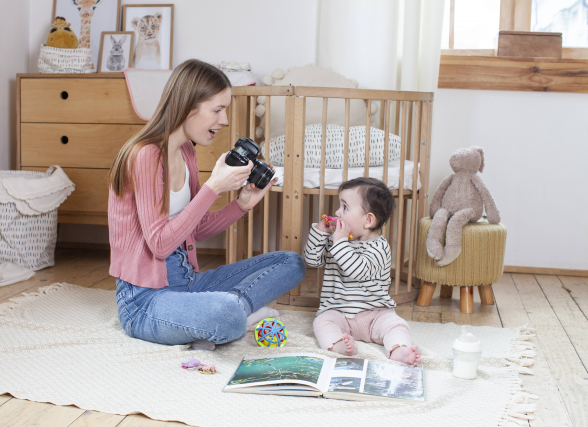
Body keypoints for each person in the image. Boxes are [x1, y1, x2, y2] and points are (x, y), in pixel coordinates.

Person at [108, 59, 306, 351]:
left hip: (188, 283)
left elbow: (196, 229)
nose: (224, 120)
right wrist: (214, 187)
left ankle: (219, 315)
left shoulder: (186, 151)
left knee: (291, 263)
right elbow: (160, 244)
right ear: (188, 108)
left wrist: (242, 203)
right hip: (145, 300)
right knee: (225, 313)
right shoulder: (145, 156)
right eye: (217, 110)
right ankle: (231, 314)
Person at [303, 177, 421, 365]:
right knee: (321, 322)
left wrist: (339, 242)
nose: (337, 212)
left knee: (396, 324)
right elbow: (312, 260)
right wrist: (319, 233)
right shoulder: (337, 240)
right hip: (338, 312)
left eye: (345, 207)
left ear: (368, 220)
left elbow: (356, 271)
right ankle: (338, 345)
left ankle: (399, 349)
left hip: (374, 314)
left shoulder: (379, 248)